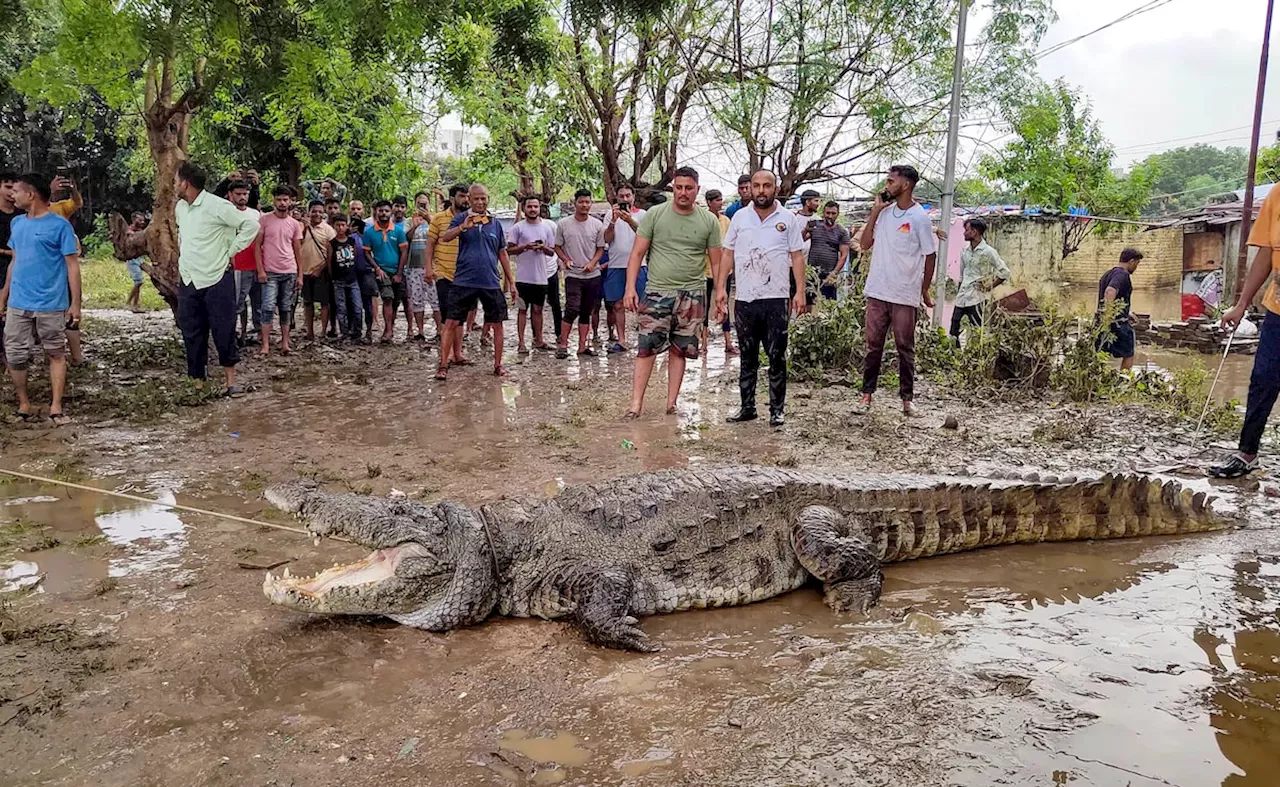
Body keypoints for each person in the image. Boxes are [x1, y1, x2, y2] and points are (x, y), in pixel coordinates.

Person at [622, 166, 722, 417]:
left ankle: (671, 403)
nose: (683, 193)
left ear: (697, 190)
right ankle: (635, 405)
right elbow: (637, 253)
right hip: (657, 292)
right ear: (673, 188)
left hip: (693, 294)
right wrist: (630, 287)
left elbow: (718, 262)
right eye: (678, 187)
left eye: (689, 188)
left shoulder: (708, 220)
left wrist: (720, 293)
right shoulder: (655, 215)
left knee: (680, 349)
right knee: (646, 348)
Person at [716, 170, 807, 427]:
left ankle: (777, 410)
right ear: (750, 189)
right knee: (747, 356)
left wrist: (799, 292)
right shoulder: (740, 218)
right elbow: (727, 253)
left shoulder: (788, 219)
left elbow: (797, 256)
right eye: (756, 186)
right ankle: (747, 407)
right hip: (745, 299)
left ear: (775, 189)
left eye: (766, 186)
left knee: (776, 355)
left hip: (776, 298)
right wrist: (721, 288)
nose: (761, 190)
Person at [856, 165, 937, 418]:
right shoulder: (884, 213)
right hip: (878, 291)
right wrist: (875, 212)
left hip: (904, 293)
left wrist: (924, 290)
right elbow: (866, 244)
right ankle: (866, 395)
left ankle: (907, 400)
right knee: (873, 346)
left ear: (906, 185)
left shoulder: (919, 218)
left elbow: (930, 255)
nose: (887, 185)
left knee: (905, 346)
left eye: (892, 181)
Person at [0, 173, 82, 423]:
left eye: (17, 191)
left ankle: (56, 405)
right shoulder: (17, 224)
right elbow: (15, 261)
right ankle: (23, 403)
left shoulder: (60, 225)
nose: (13, 195)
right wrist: (4, 296)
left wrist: (75, 304)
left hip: (50, 303)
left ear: (31, 195)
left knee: (55, 352)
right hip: (18, 302)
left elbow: (72, 265)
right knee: (15, 353)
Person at [170, 163, 259, 393]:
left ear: (185, 183)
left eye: (176, 180)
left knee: (223, 329)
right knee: (192, 331)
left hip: (217, 276)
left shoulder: (217, 205)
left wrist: (231, 250)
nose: (174, 185)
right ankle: (198, 382)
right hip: (189, 278)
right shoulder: (180, 207)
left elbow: (250, 224)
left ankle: (230, 382)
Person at [1210, 188, 1280, 478]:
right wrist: (1241, 303)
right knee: (1262, 380)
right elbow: (1266, 252)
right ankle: (1247, 453)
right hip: (1277, 310)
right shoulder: (1277, 195)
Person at [437, 183, 515, 378]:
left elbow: (502, 253)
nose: (480, 202)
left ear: (488, 199)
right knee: (451, 322)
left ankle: (498, 365)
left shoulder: (495, 223)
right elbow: (445, 237)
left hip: (490, 281)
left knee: (497, 323)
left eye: (484, 198)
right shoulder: (461, 218)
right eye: (476, 199)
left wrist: (511, 281)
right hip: (463, 280)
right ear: (469, 200)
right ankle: (443, 365)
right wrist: (462, 228)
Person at [554, 189, 607, 358]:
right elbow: (557, 246)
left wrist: (592, 263)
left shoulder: (597, 225)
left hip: (592, 274)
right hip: (573, 274)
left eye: (587, 202)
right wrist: (565, 259)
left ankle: (582, 346)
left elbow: (600, 249)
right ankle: (563, 344)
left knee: (586, 311)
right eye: (581, 202)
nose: (584, 205)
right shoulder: (563, 224)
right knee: (572, 308)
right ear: (574, 203)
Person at [256, 185, 304, 357]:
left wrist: (300, 275)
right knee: (268, 307)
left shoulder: (294, 224)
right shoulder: (265, 220)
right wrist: (260, 270)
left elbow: (297, 250)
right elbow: (257, 246)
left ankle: (285, 343)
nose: (282, 203)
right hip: (270, 272)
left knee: (286, 308)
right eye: (279, 199)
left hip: (289, 270)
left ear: (290, 201)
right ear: (273, 200)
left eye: (285, 199)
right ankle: (266, 345)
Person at [426, 184, 470, 367]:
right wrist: (428, 268)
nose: (465, 200)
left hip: (465, 274)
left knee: (460, 317)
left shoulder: (472, 219)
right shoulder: (438, 219)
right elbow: (430, 244)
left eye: (467, 196)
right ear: (452, 198)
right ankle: (447, 354)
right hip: (444, 272)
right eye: (462, 196)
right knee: (447, 315)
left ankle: (458, 354)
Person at [508, 195, 557, 354]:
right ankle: (521, 342)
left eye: (535, 206)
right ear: (524, 208)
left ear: (539, 208)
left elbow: (552, 251)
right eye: (529, 206)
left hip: (541, 277)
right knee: (522, 309)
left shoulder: (547, 228)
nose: (532, 209)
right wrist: (525, 247)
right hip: (523, 277)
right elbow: (509, 250)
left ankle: (539, 340)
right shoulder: (518, 228)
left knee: (538, 310)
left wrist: (542, 248)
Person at [950, 217, 1010, 341]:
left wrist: (989, 287)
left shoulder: (988, 252)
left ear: (974, 232)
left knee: (977, 331)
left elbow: (1005, 272)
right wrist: (959, 290)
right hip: (962, 297)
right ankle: (956, 356)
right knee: (953, 331)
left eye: (967, 230)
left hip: (977, 298)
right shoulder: (965, 251)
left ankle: (974, 357)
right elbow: (962, 275)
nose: (964, 233)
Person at [603, 184, 646, 353]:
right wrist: (614, 220)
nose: (625, 199)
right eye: (622, 196)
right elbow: (606, 239)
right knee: (618, 305)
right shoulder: (609, 215)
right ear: (617, 198)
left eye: (628, 195)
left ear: (633, 197)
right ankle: (621, 340)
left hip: (639, 265)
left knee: (642, 304)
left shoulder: (643, 215)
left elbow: (645, 234)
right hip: (616, 265)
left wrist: (629, 220)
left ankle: (645, 339)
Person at [362, 200, 408, 343]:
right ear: (376, 212)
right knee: (387, 298)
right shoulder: (369, 232)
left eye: (386, 211)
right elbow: (367, 253)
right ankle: (387, 331)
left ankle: (390, 328)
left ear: (391, 212)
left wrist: (399, 273)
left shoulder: (398, 231)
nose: (383, 213)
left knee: (395, 302)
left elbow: (404, 252)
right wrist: (377, 268)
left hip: (397, 270)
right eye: (381, 211)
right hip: (382, 270)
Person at [225, 182, 263, 346]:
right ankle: (235, 333)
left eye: (245, 194)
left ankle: (258, 333)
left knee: (259, 302)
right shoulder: (226, 214)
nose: (242, 197)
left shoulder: (256, 214)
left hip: (258, 264)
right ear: (230, 194)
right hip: (238, 264)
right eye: (239, 194)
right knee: (238, 303)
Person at [1095, 248, 1144, 371]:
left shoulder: (1107, 274)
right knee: (1128, 353)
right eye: (1137, 264)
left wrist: (1127, 312)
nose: (1136, 267)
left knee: (1100, 352)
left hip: (1100, 322)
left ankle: (1097, 381)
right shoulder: (1122, 274)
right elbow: (1110, 291)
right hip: (1117, 324)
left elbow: (1114, 296)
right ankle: (1124, 381)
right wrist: (1110, 315)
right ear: (1131, 261)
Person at [702, 189, 738, 355]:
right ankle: (703, 343)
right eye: (716, 200)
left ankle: (728, 342)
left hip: (725, 269)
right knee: (705, 306)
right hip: (706, 270)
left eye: (721, 200)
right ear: (709, 202)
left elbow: (731, 243)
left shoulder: (725, 220)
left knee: (724, 304)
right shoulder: (703, 219)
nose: (720, 203)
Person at [404, 191, 442, 344]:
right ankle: (420, 331)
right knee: (417, 300)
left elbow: (441, 235)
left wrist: (428, 218)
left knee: (435, 300)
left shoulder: (434, 219)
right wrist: (414, 225)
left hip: (432, 266)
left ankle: (439, 330)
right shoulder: (409, 220)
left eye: (424, 202)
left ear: (429, 204)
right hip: (413, 266)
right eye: (419, 202)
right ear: (415, 203)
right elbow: (406, 238)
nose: (422, 205)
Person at [297, 200, 336, 342]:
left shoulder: (328, 230)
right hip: (305, 270)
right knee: (307, 302)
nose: (317, 214)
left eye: (320, 211)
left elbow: (332, 254)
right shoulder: (300, 227)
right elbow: (296, 244)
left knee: (324, 303)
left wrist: (320, 269)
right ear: (308, 212)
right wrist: (305, 229)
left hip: (322, 270)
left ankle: (323, 331)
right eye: (314, 211)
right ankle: (310, 332)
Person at [805, 200, 852, 302]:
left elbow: (844, 255)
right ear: (823, 213)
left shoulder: (842, 232)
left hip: (829, 273)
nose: (830, 216)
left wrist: (833, 274)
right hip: (812, 273)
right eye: (828, 213)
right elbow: (800, 239)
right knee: (808, 304)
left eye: (833, 213)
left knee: (827, 306)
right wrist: (806, 230)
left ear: (838, 214)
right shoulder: (815, 226)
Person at [328, 214, 364, 341]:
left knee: (357, 307)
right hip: (338, 281)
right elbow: (329, 262)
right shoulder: (332, 243)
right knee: (341, 308)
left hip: (353, 279)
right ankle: (344, 333)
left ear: (347, 226)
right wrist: (332, 278)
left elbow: (355, 257)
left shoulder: (352, 241)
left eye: (343, 225)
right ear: (333, 226)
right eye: (338, 225)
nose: (340, 228)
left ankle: (357, 333)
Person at [124, 211, 149, 313]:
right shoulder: (130, 230)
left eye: (143, 220)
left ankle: (135, 304)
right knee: (139, 282)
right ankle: (129, 303)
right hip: (132, 259)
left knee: (139, 283)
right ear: (134, 220)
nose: (142, 222)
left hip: (139, 259)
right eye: (140, 220)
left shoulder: (140, 230)